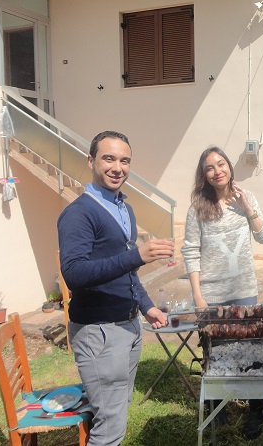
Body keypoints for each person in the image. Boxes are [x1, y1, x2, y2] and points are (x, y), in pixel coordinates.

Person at [58, 130, 173, 446]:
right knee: (108, 429)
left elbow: (127, 271)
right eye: (108, 158)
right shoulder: (78, 213)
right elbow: (74, 274)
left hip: (128, 326)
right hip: (99, 332)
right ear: (91, 160)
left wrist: (146, 305)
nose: (117, 168)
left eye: (125, 161)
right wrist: (137, 255)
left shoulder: (124, 209)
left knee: (116, 414)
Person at [181, 145, 263, 439]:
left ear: (229, 167)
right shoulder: (197, 208)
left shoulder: (246, 198)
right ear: (204, 175)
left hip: (244, 290)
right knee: (215, 351)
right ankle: (217, 409)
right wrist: (197, 295)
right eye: (210, 167)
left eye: (221, 164)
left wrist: (248, 208)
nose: (217, 171)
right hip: (212, 294)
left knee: (251, 349)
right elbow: (191, 251)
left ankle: (257, 409)